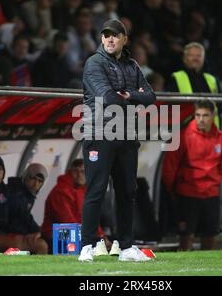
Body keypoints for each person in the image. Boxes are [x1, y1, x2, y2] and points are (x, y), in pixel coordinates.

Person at [78, 19, 156, 262]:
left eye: (115, 35)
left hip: (126, 135)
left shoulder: (132, 65)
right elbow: (108, 98)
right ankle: (87, 246)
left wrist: (128, 94)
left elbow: (151, 97)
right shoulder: (94, 63)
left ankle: (126, 247)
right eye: (106, 35)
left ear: (125, 39)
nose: (110, 39)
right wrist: (134, 96)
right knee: (96, 190)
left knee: (127, 192)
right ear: (101, 39)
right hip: (99, 134)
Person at [162, 100, 222, 251]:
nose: (201, 119)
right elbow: (169, 167)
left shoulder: (221, 139)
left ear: (213, 116)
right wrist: (173, 190)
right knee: (185, 237)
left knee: (210, 236)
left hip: (211, 194)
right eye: (198, 115)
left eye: (205, 115)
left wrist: (213, 184)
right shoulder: (182, 136)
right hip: (187, 193)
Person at [41, 159, 110, 253]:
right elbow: (67, 222)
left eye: (83, 172)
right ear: (70, 172)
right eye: (75, 171)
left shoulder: (83, 191)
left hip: (75, 232)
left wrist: (101, 236)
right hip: (56, 234)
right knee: (75, 236)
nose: (79, 175)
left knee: (108, 243)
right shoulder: (60, 191)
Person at [167, 42, 221, 128]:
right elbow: (170, 108)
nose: (195, 58)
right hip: (186, 130)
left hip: (212, 131)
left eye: (199, 56)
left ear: (203, 59)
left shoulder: (212, 79)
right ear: (184, 59)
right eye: (191, 55)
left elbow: (219, 108)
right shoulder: (176, 77)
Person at [7, 163, 48, 237]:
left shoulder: (28, 194)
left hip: (17, 231)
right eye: (33, 178)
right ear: (26, 176)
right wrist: (39, 232)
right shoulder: (15, 192)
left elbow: (26, 218)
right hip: (9, 233)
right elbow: (21, 219)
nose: (36, 184)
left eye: (40, 181)